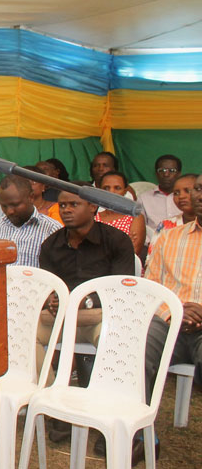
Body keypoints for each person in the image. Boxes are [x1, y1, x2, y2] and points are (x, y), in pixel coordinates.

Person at [37, 184, 135, 445]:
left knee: (114, 335)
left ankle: (105, 410)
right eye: (63, 205)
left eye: (73, 204)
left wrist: (78, 304)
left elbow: (121, 292)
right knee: (23, 333)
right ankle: (56, 406)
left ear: (93, 206)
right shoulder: (51, 244)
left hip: (100, 317)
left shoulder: (116, 241)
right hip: (61, 319)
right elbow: (48, 288)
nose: (66, 210)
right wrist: (52, 300)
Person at [142, 172, 202, 464]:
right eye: (199, 190)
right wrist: (174, 310)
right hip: (169, 322)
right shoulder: (170, 236)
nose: (199, 196)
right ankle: (139, 433)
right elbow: (150, 288)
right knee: (134, 346)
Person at [0, 175, 61, 267]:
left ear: (31, 197)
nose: (10, 211)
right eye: (4, 206)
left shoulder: (51, 229)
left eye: (15, 205)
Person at [148, 174, 199, 262]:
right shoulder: (166, 225)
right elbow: (152, 260)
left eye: (188, 191)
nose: (181, 196)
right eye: (176, 193)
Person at [96, 171, 146, 256]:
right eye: (106, 188)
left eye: (117, 188)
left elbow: (132, 253)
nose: (111, 192)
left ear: (125, 191)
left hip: (124, 267)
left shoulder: (135, 217)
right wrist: (122, 244)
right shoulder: (94, 218)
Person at [139, 154, 183, 230]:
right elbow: (140, 228)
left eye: (172, 171)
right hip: (153, 241)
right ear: (156, 174)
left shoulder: (186, 197)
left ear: (179, 174)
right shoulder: (143, 199)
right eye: (161, 170)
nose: (166, 174)